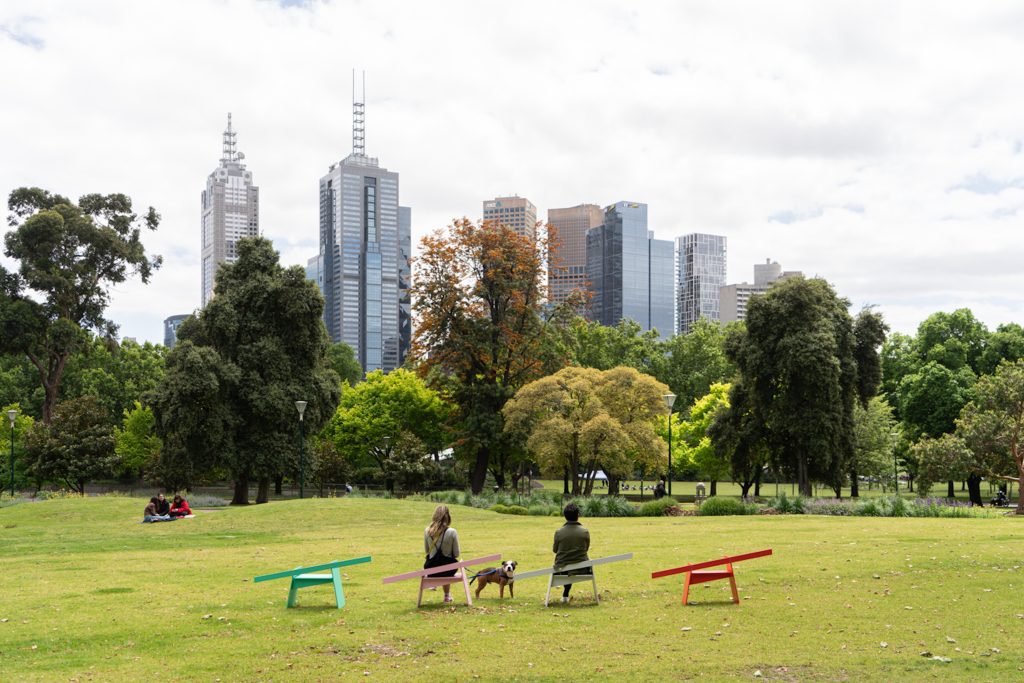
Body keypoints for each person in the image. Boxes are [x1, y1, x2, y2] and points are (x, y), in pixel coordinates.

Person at [552, 502, 590, 604]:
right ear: (578, 516)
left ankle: (565, 594)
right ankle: (566, 594)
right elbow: (586, 549)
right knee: (573, 565)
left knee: (567, 566)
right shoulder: (585, 531)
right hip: (582, 569)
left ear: (565, 516)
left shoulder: (559, 532)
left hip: (561, 569)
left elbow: (555, 550)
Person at [424, 504, 461, 603]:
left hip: (431, 570)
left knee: (442, 563)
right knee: (447, 563)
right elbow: (457, 553)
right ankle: (446, 596)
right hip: (447, 570)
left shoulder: (427, 531)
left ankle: (435, 586)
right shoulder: (452, 532)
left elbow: (427, 551)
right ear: (448, 516)